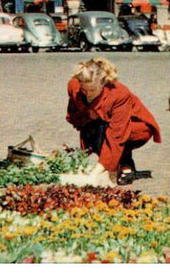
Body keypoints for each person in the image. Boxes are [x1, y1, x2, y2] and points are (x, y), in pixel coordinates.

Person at [65, 57, 161, 186]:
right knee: (95, 130)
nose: (87, 93)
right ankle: (116, 163)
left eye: (92, 90)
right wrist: (88, 117)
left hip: (136, 126)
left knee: (106, 133)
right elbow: (74, 115)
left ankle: (122, 164)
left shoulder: (119, 93)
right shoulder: (74, 86)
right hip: (103, 124)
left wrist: (93, 175)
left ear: (103, 82)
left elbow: (117, 134)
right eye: (84, 89)